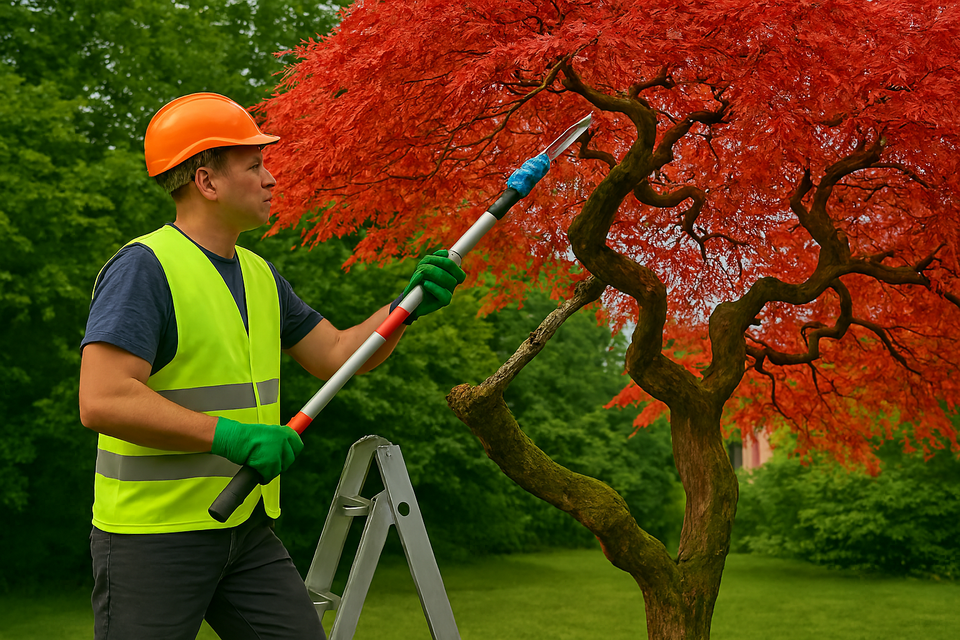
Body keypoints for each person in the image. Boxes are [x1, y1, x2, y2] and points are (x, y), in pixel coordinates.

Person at [78, 92, 466, 640]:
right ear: (207, 182)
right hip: (152, 538)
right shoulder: (145, 269)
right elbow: (102, 398)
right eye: (255, 165)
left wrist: (405, 308)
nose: (271, 179)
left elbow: (337, 354)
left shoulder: (259, 275)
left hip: (244, 528)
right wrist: (231, 437)